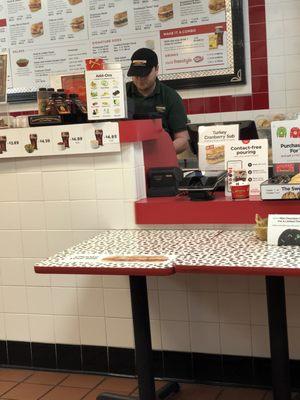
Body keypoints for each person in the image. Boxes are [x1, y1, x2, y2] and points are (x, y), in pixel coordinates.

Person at [126, 48, 189, 154]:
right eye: (136, 74)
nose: (140, 79)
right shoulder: (120, 94)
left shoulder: (170, 96)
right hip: (129, 158)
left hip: (162, 158)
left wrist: (161, 152)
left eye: (144, 74)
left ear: (156, 69)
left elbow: (183, 139)